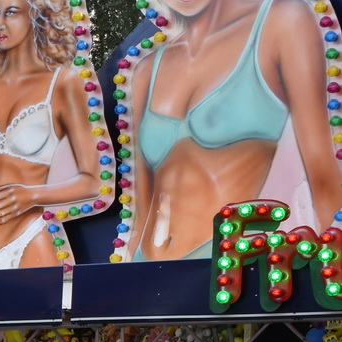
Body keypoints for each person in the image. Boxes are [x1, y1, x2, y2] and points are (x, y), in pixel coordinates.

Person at [127, 0, 341, 261]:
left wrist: (331, 269)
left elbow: (321, 168)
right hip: (144, 264)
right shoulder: (144, 70)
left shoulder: (280, 21)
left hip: (231, 264)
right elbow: (140, 208)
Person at [0, 0, 104, 269]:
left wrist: (31, 195)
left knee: (40, 312)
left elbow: (94, 182)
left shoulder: (63, 83)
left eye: (11, 12)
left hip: (29, 238)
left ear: (38, 16)